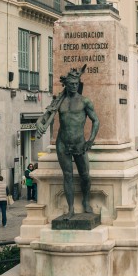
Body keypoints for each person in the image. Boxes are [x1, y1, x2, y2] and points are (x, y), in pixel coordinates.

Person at [35, 66, 100, 217]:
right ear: (66, 84)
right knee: (67, 175)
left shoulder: (85, 101)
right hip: (62, 143)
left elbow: (96, 121)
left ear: (79, 83)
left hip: (79, 143)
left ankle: (85, 201)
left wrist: (90, 140)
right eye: (71, 84)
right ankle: (71, 208)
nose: (74, 86)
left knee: (85, 175)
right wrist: (38, 123)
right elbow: (44, 117)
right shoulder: (58, 102)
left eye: (76, 83)